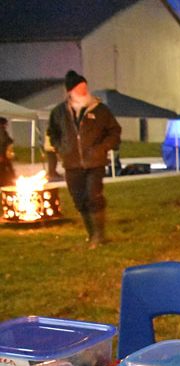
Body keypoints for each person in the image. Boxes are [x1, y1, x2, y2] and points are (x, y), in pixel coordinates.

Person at [47, 70, 121, 247]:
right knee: (80, 200)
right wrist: (62, 149)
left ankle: (99, 236)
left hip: (95, 163)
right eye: (79, 88)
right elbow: (53, 133)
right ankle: (91, 234)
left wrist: (102, 148)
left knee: (94, 196)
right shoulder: (59, 112)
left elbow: (114, 131)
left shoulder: (100, 110)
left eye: (85, 87)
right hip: (72, 164)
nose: (84, 91)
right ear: (70, 91)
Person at [0, 117, 15, 186]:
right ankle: (6, 184)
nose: (6, 125)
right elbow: (3, 142)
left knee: (5, 170)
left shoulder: (3, 131)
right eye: (6, 124)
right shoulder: (1, 131)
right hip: (3, 155)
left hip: (4, 154)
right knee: (4, 170)